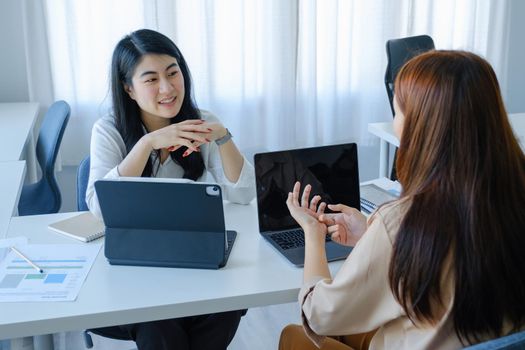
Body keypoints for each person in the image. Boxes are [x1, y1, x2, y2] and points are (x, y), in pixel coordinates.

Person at [279, 50, 525, 349]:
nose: (394, 123)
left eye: (397, 113)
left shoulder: (403, 220)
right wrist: (372, 232)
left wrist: (313, 236)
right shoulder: (512, 195)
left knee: (296, 337)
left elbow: (319, 315)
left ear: (421, 127)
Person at [85, 29, 255, 350]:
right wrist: (148, 143)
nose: (167, 88)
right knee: (157, 318)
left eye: (173, 73)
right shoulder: (108, 130)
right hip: (136, 265)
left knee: (227, 306)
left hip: (193, 257)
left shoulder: (201, 121)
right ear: (129, 89)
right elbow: (98, 206)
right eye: (150, 80)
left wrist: (223, 137)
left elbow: (244, 194)